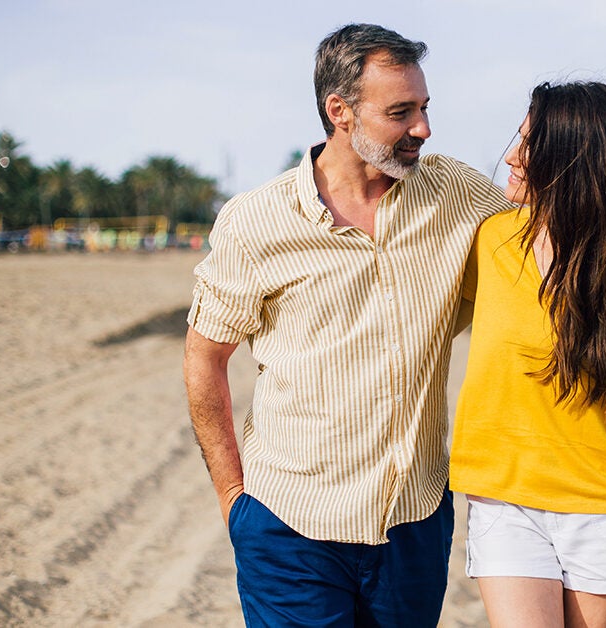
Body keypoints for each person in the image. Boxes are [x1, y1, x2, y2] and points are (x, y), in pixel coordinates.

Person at [182, 23, 511, 626]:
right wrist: (234, 500)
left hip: (414, 526)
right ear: (340, 111)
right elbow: (204, 358)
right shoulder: (255, 222)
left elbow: (544, 244)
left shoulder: (458, 194)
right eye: (401, 112)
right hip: (289, 526)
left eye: (425, 107)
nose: (424, 129)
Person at [449, 81, 606, 628]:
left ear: (572, 160)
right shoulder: (489, 241)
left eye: (529, 144)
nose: (511, 155)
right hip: (505, 496)